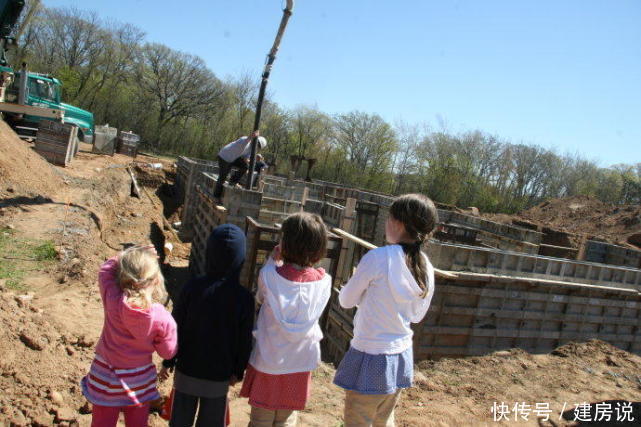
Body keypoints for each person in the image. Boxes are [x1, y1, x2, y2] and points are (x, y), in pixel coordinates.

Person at [333, 194, 438, 427]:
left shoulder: (378, 258)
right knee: (384, 419)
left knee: (358, 419)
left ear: (398, 223)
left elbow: (346, 300)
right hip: (400, 355)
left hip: (371, 354)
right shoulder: (426, 266)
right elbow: (417, 315)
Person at [240, 212, 332, 427]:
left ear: (284, 244)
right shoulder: (324, 282)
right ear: (319, 249)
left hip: (269, 362)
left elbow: (260, 297)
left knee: (260, 419)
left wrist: (272, 261)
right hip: (300, 364)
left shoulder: (269, 275)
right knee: (286, 419)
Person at [160, 224, 255, 426]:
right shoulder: (244, 298)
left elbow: (175, 327)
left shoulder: (192, 288)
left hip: (186, 373)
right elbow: (244, 340)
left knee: (180, 421)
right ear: (241, 258)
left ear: (209, 253)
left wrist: (169, 361)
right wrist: (238, 371)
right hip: (219, 379)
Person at [81, 245, 177, 427]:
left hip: (105, 380)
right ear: (156, 280)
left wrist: (129, 254)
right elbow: (168, 352)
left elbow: (105, 270)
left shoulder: (112, 298)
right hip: (139, 384)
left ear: (123, 276)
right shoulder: (160, 316)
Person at [214, 131, 267, 202]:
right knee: (223, 177)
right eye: (257, 143)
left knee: (245, 166)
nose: (257, 146)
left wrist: (251, 164)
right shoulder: (245, 140)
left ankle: (233, 181)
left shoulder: (251, 149)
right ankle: (216, 196)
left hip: (233, 158)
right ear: (254, 140)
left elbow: (245, 158)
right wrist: (251, 136)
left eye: (259, 146)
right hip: (224, 157)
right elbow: (245, 142)